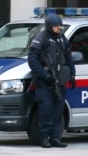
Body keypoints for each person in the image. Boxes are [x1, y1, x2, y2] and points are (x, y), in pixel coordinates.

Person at [27, 13, 76, 148]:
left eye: (59, 26)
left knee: (58, 110)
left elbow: (69, 58)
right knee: (46, 110)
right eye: (56, 26)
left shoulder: (62, 39)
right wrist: (44, 75)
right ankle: (45, 138)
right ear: (49, 26)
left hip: (60, 81)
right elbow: (32, 60)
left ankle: (55, 137)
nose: (58, 28)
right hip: (45, 82)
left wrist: (72, 75)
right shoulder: (40, 39)